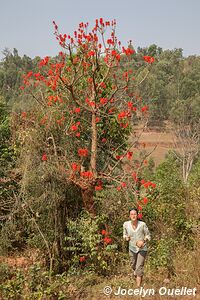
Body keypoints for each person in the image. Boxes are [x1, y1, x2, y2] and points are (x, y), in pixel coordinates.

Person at [123, 208, 151, 287]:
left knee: (139, 266)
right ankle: (137, 274)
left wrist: (143, 241)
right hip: (132, 248)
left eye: (135, 214)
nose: (133, 216)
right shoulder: (126, 224)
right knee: (133, 265)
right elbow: (124, 235)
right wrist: (126, 238)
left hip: (142, 248)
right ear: (129, 216)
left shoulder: (142, 224)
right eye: (131, 214)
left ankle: (138, 286)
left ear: (137, 215)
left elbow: (148, 235)